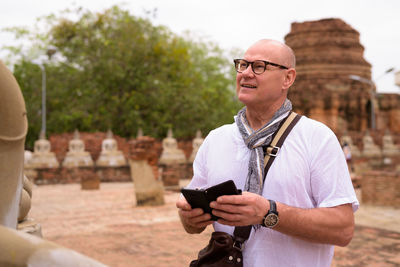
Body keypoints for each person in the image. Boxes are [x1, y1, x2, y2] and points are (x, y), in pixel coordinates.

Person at [176, 39, 359, 267]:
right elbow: (192, 225)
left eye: (259, 66)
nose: (246, 73)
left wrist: (268, 213)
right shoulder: (216, 139)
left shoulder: (317, 138)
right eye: (242, 65)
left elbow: (342, 230)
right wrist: (190, 219)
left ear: (288, 78)